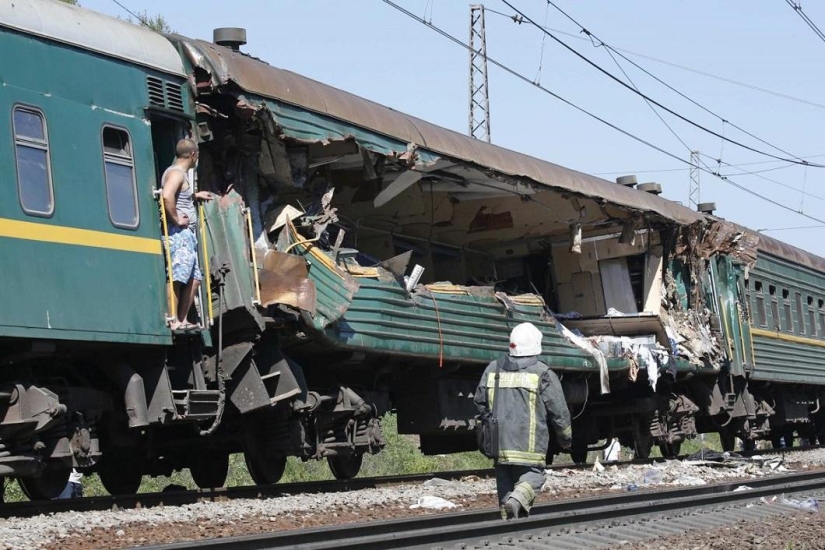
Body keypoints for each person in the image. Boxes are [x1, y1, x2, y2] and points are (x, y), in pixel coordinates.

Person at [474, 322, 572, 520]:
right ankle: (517, 500)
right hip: (529, 444)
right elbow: (559, 412)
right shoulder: (543, 373)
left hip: (499, 444)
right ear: (536, 345)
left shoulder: (492, 369)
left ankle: (509, 527)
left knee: (505, 484)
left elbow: (480, 404)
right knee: (534, 477)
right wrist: (566, 439)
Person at [161, 139, 213, 330]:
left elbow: (178, 196)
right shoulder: (176, 173)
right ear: (193, 155)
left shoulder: (180, 174)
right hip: (179, 234)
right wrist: (176, 219)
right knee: (177, 276)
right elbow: (167, 196)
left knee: (195, 278)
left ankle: (181, 319)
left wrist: (195, 196)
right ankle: (173, 320)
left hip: (186, 235)